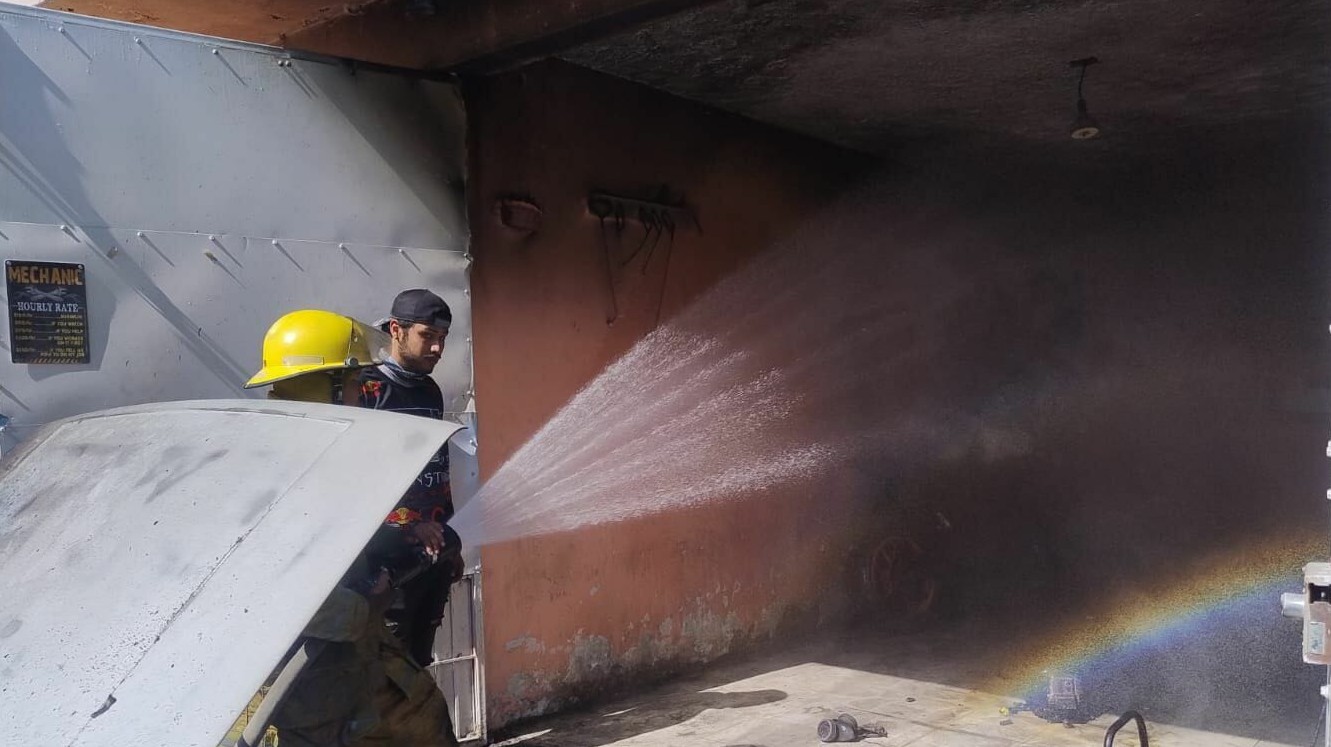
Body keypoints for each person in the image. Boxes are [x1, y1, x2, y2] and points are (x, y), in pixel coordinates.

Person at [244, 308, 459, 747]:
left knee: (425, 714)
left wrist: (399, 535)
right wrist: (365, 601)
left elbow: (338, 534)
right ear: (329, 388)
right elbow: (269, 589)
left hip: (359, 652)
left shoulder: (321, 453)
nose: (365, 393)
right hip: (319, 677)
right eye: (358, 382)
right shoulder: (281, 474)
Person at [357, 289, 463, 668]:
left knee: (419, 662)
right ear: (396, 330)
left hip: (432, 556)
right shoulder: (366, 389)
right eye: (427, 336)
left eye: (442, 339)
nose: (437, 349)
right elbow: (359, 480)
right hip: (389, 564)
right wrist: (408, 526)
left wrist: (451, 543)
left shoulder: (429, 390)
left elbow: (437, 470)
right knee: (388, 669)